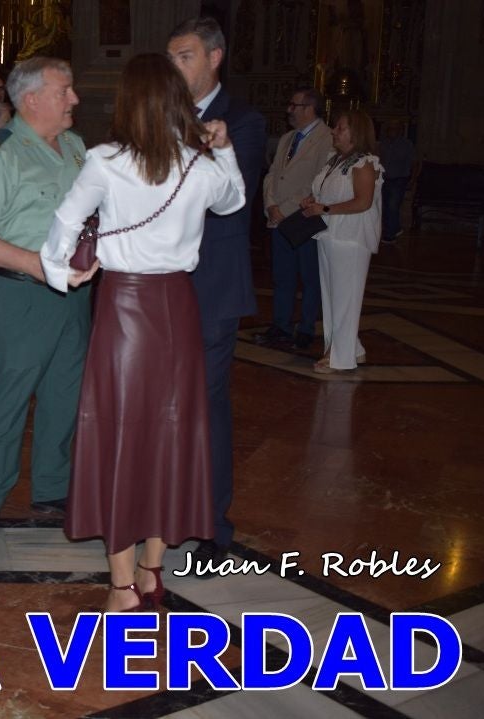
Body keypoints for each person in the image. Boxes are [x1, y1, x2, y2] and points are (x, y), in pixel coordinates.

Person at [42, 53, 245, 611]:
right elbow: (235, 200)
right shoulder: (200, 165)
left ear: (129, 101)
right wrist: (223, 147)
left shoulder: (106, 160)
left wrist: (64, 271)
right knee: (167, 433)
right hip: (179, 305)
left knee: (121, 433)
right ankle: (153, 571)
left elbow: (64, 222)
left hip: (125, 308)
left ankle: (122, 584)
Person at [0, 57, 91, 542]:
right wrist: (36, 265)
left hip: (75, 295)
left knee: (65, 392)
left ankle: (53, 487)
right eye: (66, 91)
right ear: (32, 97)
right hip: (20, 293)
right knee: (10, 394)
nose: (75, 99)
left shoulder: (78, 148)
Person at [167, 17, 265, 572]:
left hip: (213, 287)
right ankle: (163, 506)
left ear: (214, 57)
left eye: (184, 56)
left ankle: (211, 521)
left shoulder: (244, 122)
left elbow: (229, 194)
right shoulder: (162, 115)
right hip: (160, 285)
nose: (174, 66)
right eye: (171, 57)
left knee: (206, 406)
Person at [301, 109, 383, 374]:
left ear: (355, 132)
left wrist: (324, 210)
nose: (334, 131)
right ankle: (353, 348)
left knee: (345, 298)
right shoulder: (335, 161)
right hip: (329, 234)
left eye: (340, 128)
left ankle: (339, 356)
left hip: (350, 237)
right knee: (332, 297)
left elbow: (363, 201)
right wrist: (313, 202)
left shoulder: (365, 163)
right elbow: (327, 195)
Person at [254, 87, 333, 350]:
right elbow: (272, 174)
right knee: (282, 276)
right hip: (278, 217)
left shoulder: (327, 139)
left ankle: (306, 328)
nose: (289, 109)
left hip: (303, 218)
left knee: (309, 277)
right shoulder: (288, 138)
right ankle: (281, 326)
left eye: (294, 105)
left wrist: (285, 208)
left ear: (309, 109)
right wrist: (271, 203)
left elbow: (319, 181)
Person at [377, 119, 416, 244]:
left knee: (393, 205)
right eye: (389, 129)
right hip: (384, 179)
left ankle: (390, 235)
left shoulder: (407, 144)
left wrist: (413, 179)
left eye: (394, 129)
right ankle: (396, 227)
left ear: (400, 131)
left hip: (399, 179)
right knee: (385, 205)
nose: (391, 131)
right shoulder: (383, 143)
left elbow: (414, 163)